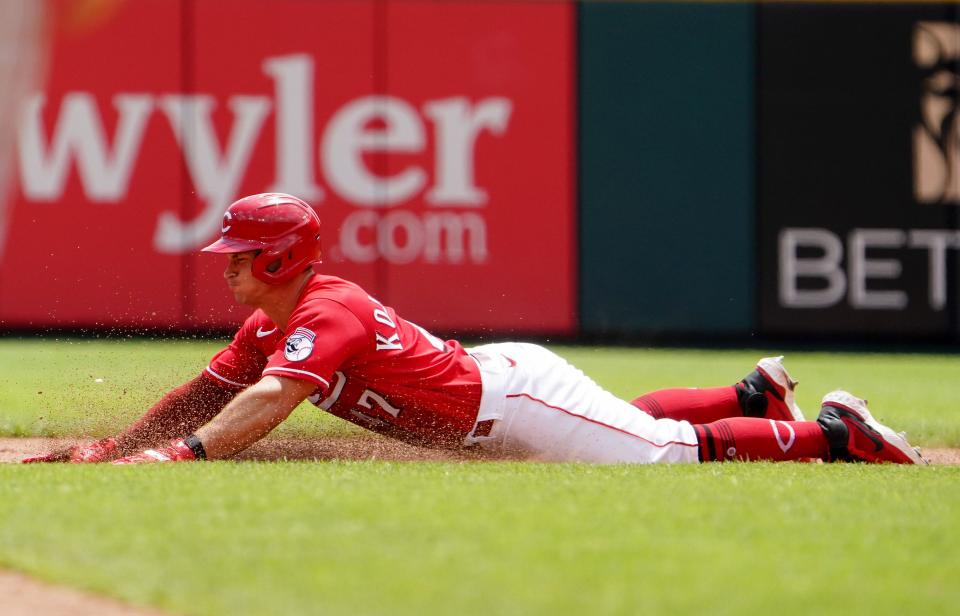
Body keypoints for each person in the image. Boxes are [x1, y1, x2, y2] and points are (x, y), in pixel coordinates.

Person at [23, 193, 926, 466]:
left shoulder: (322, 311)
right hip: (501, 392)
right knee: (624, 422)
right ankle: (749, 393)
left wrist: (182, 458)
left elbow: (267, 402)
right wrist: (115, 447)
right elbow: (210, 392)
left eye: (238, 252)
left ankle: (837, 436)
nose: (222, 264)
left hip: (510, 401)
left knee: (664, 457)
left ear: (278, 260)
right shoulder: (273, 322)